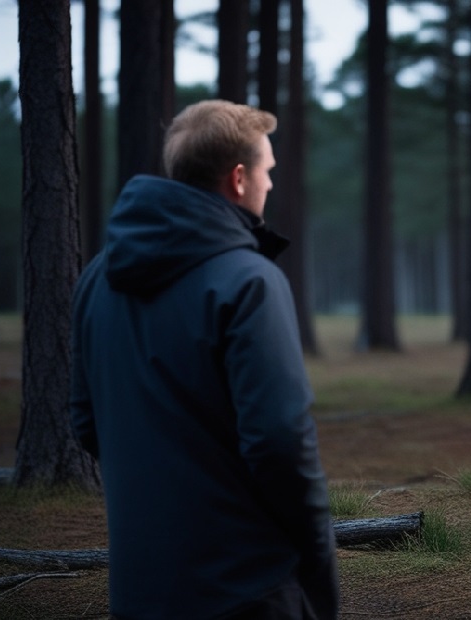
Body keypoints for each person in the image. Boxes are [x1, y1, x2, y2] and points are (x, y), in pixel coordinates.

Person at [71, 100, 339, 619]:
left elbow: (86, 421)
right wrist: (316, 563)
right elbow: (281, 443)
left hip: (139, 582)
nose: (271, 185)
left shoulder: (96, 278)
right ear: (239, 178)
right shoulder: (250, 280)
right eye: (267, 171)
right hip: (247, 587)